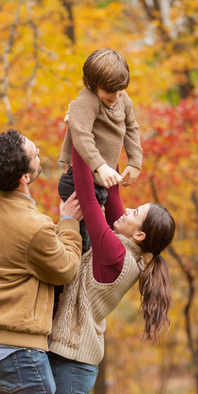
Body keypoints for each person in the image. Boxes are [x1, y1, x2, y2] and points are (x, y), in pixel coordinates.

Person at [0, 129, 83, 394]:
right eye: (35, 154)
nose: (40, 156)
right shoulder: (34, 228)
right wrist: (69, 222)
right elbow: (66, 269)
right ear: (24, 177)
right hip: (14, 352)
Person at [48, 147, 175, 394]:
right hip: (72, 362)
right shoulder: (127, 249)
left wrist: (80, 137)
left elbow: (87, 197)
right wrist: (107, 132)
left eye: (135, 213)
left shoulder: (115, 255)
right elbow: (113, 190)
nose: (127, 210)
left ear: (139, 235)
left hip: (72, 366)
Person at [59, 48, 144, 253]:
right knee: (84, 245)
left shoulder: (122, 99)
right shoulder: (86, 102)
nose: (116, 95)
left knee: (116, 230)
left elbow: (131, 127)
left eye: (120, 89)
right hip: (79, 182)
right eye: (109, 91)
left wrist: (134, 161)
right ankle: (71, 281)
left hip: (104, 182)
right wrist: (100, 166)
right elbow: (81, 135)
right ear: (90, 84)